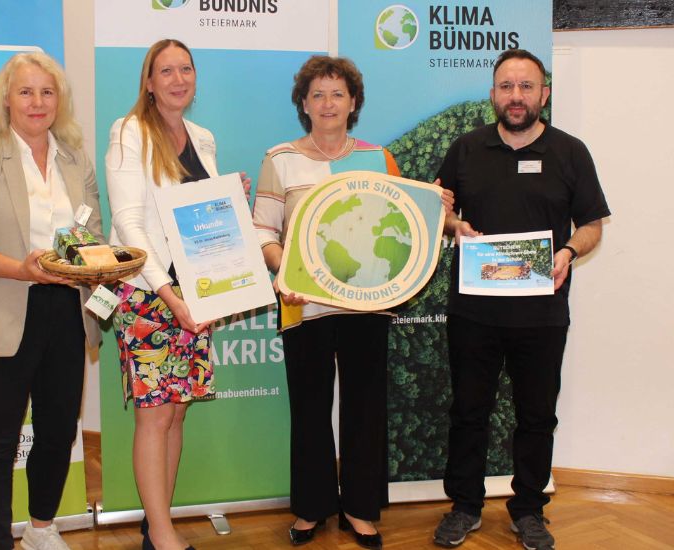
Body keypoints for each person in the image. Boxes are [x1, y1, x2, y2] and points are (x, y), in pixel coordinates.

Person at [432, 49, 610, 550]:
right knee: (469, 411)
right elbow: (435, 212)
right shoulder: (466, 149)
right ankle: (464, 506)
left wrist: (570, 251)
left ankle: (529, 509)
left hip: (542, 313)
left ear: (543, 94)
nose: (516, 96)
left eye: (526, 86)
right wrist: (453, 225)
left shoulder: (570, 152)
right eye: (506, 86)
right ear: (493, 94)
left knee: (537, 415)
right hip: (474, 312)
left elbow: (593, 225)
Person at [253, 55, 413, 550]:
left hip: (367, 304)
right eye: (318, 94)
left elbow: (403, 229)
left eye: (337, 94)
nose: (327, 103)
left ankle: (362, 510)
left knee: (365, 408)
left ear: (354, 103)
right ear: (304, 102)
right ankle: (311, 508)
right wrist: (285, 273)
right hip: (303, 304)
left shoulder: (378, 158)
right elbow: (263, 232)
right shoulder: (279, 159)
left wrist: (441, 209)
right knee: (309, 407)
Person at [0, 52, 102, 550]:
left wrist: (99, 264)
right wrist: (21, 268)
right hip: (6, 309)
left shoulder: (75, 158)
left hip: (67, 311)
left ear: (60, 99)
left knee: (58, 432)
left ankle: (40, 528)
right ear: (6, 100)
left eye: (47, 92)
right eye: (26, 92)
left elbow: (93, 234)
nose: (37, 103)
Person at [106, 38, 251, 550]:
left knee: (178, 409)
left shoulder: (203, 137)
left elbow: (195, 211)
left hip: (197, 290)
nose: (177, 79)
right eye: (165, 71)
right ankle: (163, 535)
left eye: (185, 69)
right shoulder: (128, 133)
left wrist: (229, 194)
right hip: (151, 293)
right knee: (155, 412)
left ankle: (156, 523)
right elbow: (129, 225)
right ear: (148, 82)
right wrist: (171, 299)